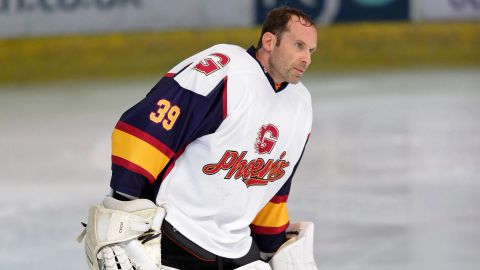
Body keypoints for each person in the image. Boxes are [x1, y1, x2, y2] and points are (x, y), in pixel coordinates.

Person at [79, 6, 318, 270]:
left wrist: (272, 245)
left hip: (236, 247)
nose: (306, 58)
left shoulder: (300, 104)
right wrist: (122, 204)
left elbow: (272, 185)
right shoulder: (228, 69)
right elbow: (148, 129)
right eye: (299, 45)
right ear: (269, 41)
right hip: (175, 235)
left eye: (311, 51)